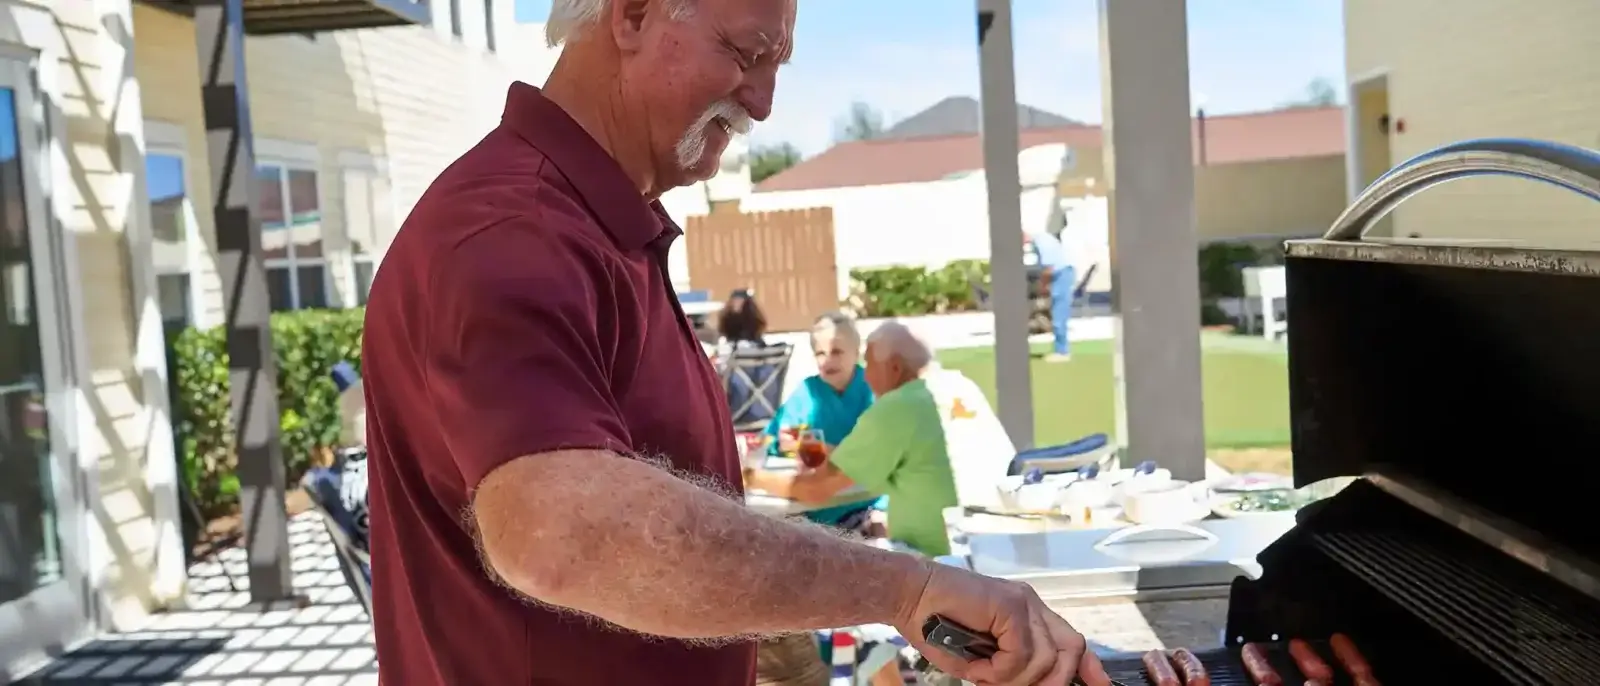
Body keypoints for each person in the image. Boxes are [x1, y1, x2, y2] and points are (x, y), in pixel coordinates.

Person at [360, 0, 1110, 683]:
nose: (762, 101)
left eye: (775, 67)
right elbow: (561, 534)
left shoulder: (597, 224)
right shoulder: (513, 232)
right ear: (633, 15)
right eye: (746, 54)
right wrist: (905, 589)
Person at [746, 322, 964, 558]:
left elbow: (817, 490)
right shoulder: (938, 392)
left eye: (869, 364)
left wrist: (748, 476)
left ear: (895, 368)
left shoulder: (892, 410)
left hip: (925, 556)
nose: (865, 375)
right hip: (950, 542)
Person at [763, 312, 881, 532]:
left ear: (857, 352)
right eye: (820, 353)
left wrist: (823, 449)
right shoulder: (807, 391)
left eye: (836, 352)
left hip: (869, 501)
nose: (828, 360)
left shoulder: (873, 390)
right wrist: (786, 442)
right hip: (817, 508)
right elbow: (780, 438)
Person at [1031, 228, 1076, 363]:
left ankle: (1062, 352)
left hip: (1061, 275)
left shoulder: (1041, 241)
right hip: (1061, 274)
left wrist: (1042, 287)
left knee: (1059, 315)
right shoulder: (1041, 239)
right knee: (1057, 314)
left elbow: (1048, 269)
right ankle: (1060, 349)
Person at [715, 288, 770, 359]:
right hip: (733, 345)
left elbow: (757, 331)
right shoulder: (727, 316)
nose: (736, 303)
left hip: (752, 345)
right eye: (735, 300)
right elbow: (723, 331)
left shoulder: (753, 315)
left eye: (740, 300)